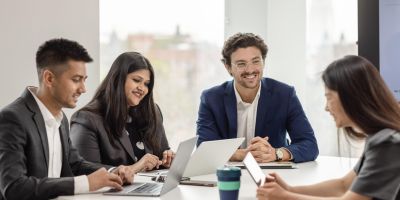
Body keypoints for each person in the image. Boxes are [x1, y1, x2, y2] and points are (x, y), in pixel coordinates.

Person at [0, 39, 135, 200]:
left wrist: (113, 172)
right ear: (49, 79)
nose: (83, 89)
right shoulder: (12, 118)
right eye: (76, 79)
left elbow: (75, 164)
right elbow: (13, 187)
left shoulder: (60, 118)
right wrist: (85, 183)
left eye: (84, 80)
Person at [257, 55, 400, 200]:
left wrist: (285, 197)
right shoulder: (381, 138)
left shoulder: (388, 143)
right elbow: (343, 186)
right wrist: (289, 189)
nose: (326, 107)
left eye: (329, 97)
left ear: (351, 96)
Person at [197, 33, 318, 163]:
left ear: (263, 62)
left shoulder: (284, 94)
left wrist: (276, 153)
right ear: (228, 68)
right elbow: (204, 148)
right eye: (241, 64)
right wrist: (242, 155)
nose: (250, 70)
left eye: (255, 61)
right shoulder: (211, 98)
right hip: (229, 174)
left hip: (275, 175)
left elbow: (310, 145)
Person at [70, 52, 173, 173]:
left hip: (148, 189)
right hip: (110, 191)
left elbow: (160, 156)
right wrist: (134, 168)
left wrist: (167, 160)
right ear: (118, 79)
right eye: (136, 80)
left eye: (146, 84)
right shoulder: (86, 118)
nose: (142, 88)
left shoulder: (152, 111)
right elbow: (84, 171)